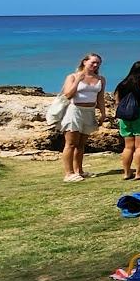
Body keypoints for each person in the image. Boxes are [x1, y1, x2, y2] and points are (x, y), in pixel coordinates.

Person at [57, 53, 105, 183]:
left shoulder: (100, 79)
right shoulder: (72, 76)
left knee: (81, 144)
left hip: (89, 112)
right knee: (71, 143)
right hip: (74, 111)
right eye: (93, 62)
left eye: (98, 63)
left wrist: (103, 112)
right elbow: (68, 94)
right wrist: (78, 80)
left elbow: (100, 97)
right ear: (84, 62)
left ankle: (79, 170)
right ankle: (69, 173)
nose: (95, 65)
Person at [113, 61, 140, 180]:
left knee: (128, 147)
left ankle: (127, 173)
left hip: (126, 116)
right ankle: (139, 173)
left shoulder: (122, 84)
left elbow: (117, 102)